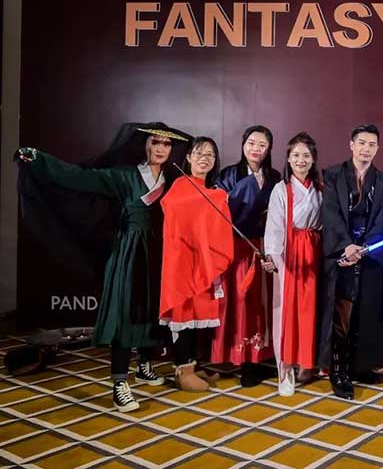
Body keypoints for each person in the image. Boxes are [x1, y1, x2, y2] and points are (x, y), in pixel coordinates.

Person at [16, 122, 192, 412]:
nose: (161, 148)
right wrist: (39, 159)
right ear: (144, 145)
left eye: (167, 144)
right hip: (129, 251)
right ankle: (119, 383)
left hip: (160, 251)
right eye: (155, 142)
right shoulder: (124, 175)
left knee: (152, 308)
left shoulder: (173, 179)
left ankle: (144, 364)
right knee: (125, 311)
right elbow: (79, 177)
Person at [318, 124, 383, 400]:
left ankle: (360, 366)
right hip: (341, 253)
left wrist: (366, 248)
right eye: (361, 143)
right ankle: (338, 370)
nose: (366, 149)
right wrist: (346, 245)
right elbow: (330, 213)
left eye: (372, 144)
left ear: (377, 148)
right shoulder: (333, 175)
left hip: (369, 253)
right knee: (341, 314)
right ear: (351, 145)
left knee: (366, 311)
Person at [159, 136, 233, 392]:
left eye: (210, 155)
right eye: (199, 153)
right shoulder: (180, 187)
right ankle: (182, 370)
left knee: (200, 313)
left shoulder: (215, 193)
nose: (204, 158)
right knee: (185, 312)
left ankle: (194, 363)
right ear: (189, 158)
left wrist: (216, 201)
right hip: (182, 263)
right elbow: (176, 220)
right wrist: (211, 200)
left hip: (204, 262)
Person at [211, 125, 281, 386]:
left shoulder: (275, 177)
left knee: (261, 304)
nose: (256, 149)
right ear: (243, 145)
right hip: (236, 247)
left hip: (264, 246)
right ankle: (234, 357)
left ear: (269, 149)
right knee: (237, 302)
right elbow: (220, 211)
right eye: (251, 143)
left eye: (262, 145)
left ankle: (257, 358)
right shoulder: (229, 174)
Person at [263, 132, 323, 396]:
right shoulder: (281, 189)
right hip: (289, 253)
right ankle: (285, 368)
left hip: (314, 251)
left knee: (311, 310)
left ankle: (306, 363)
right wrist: (272, 256)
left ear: (313, 159)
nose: (301, 160)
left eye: (306, 155)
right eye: (296, 155)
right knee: (287, 311)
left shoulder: (320, 189)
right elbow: (275, 226)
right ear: (287, 158)